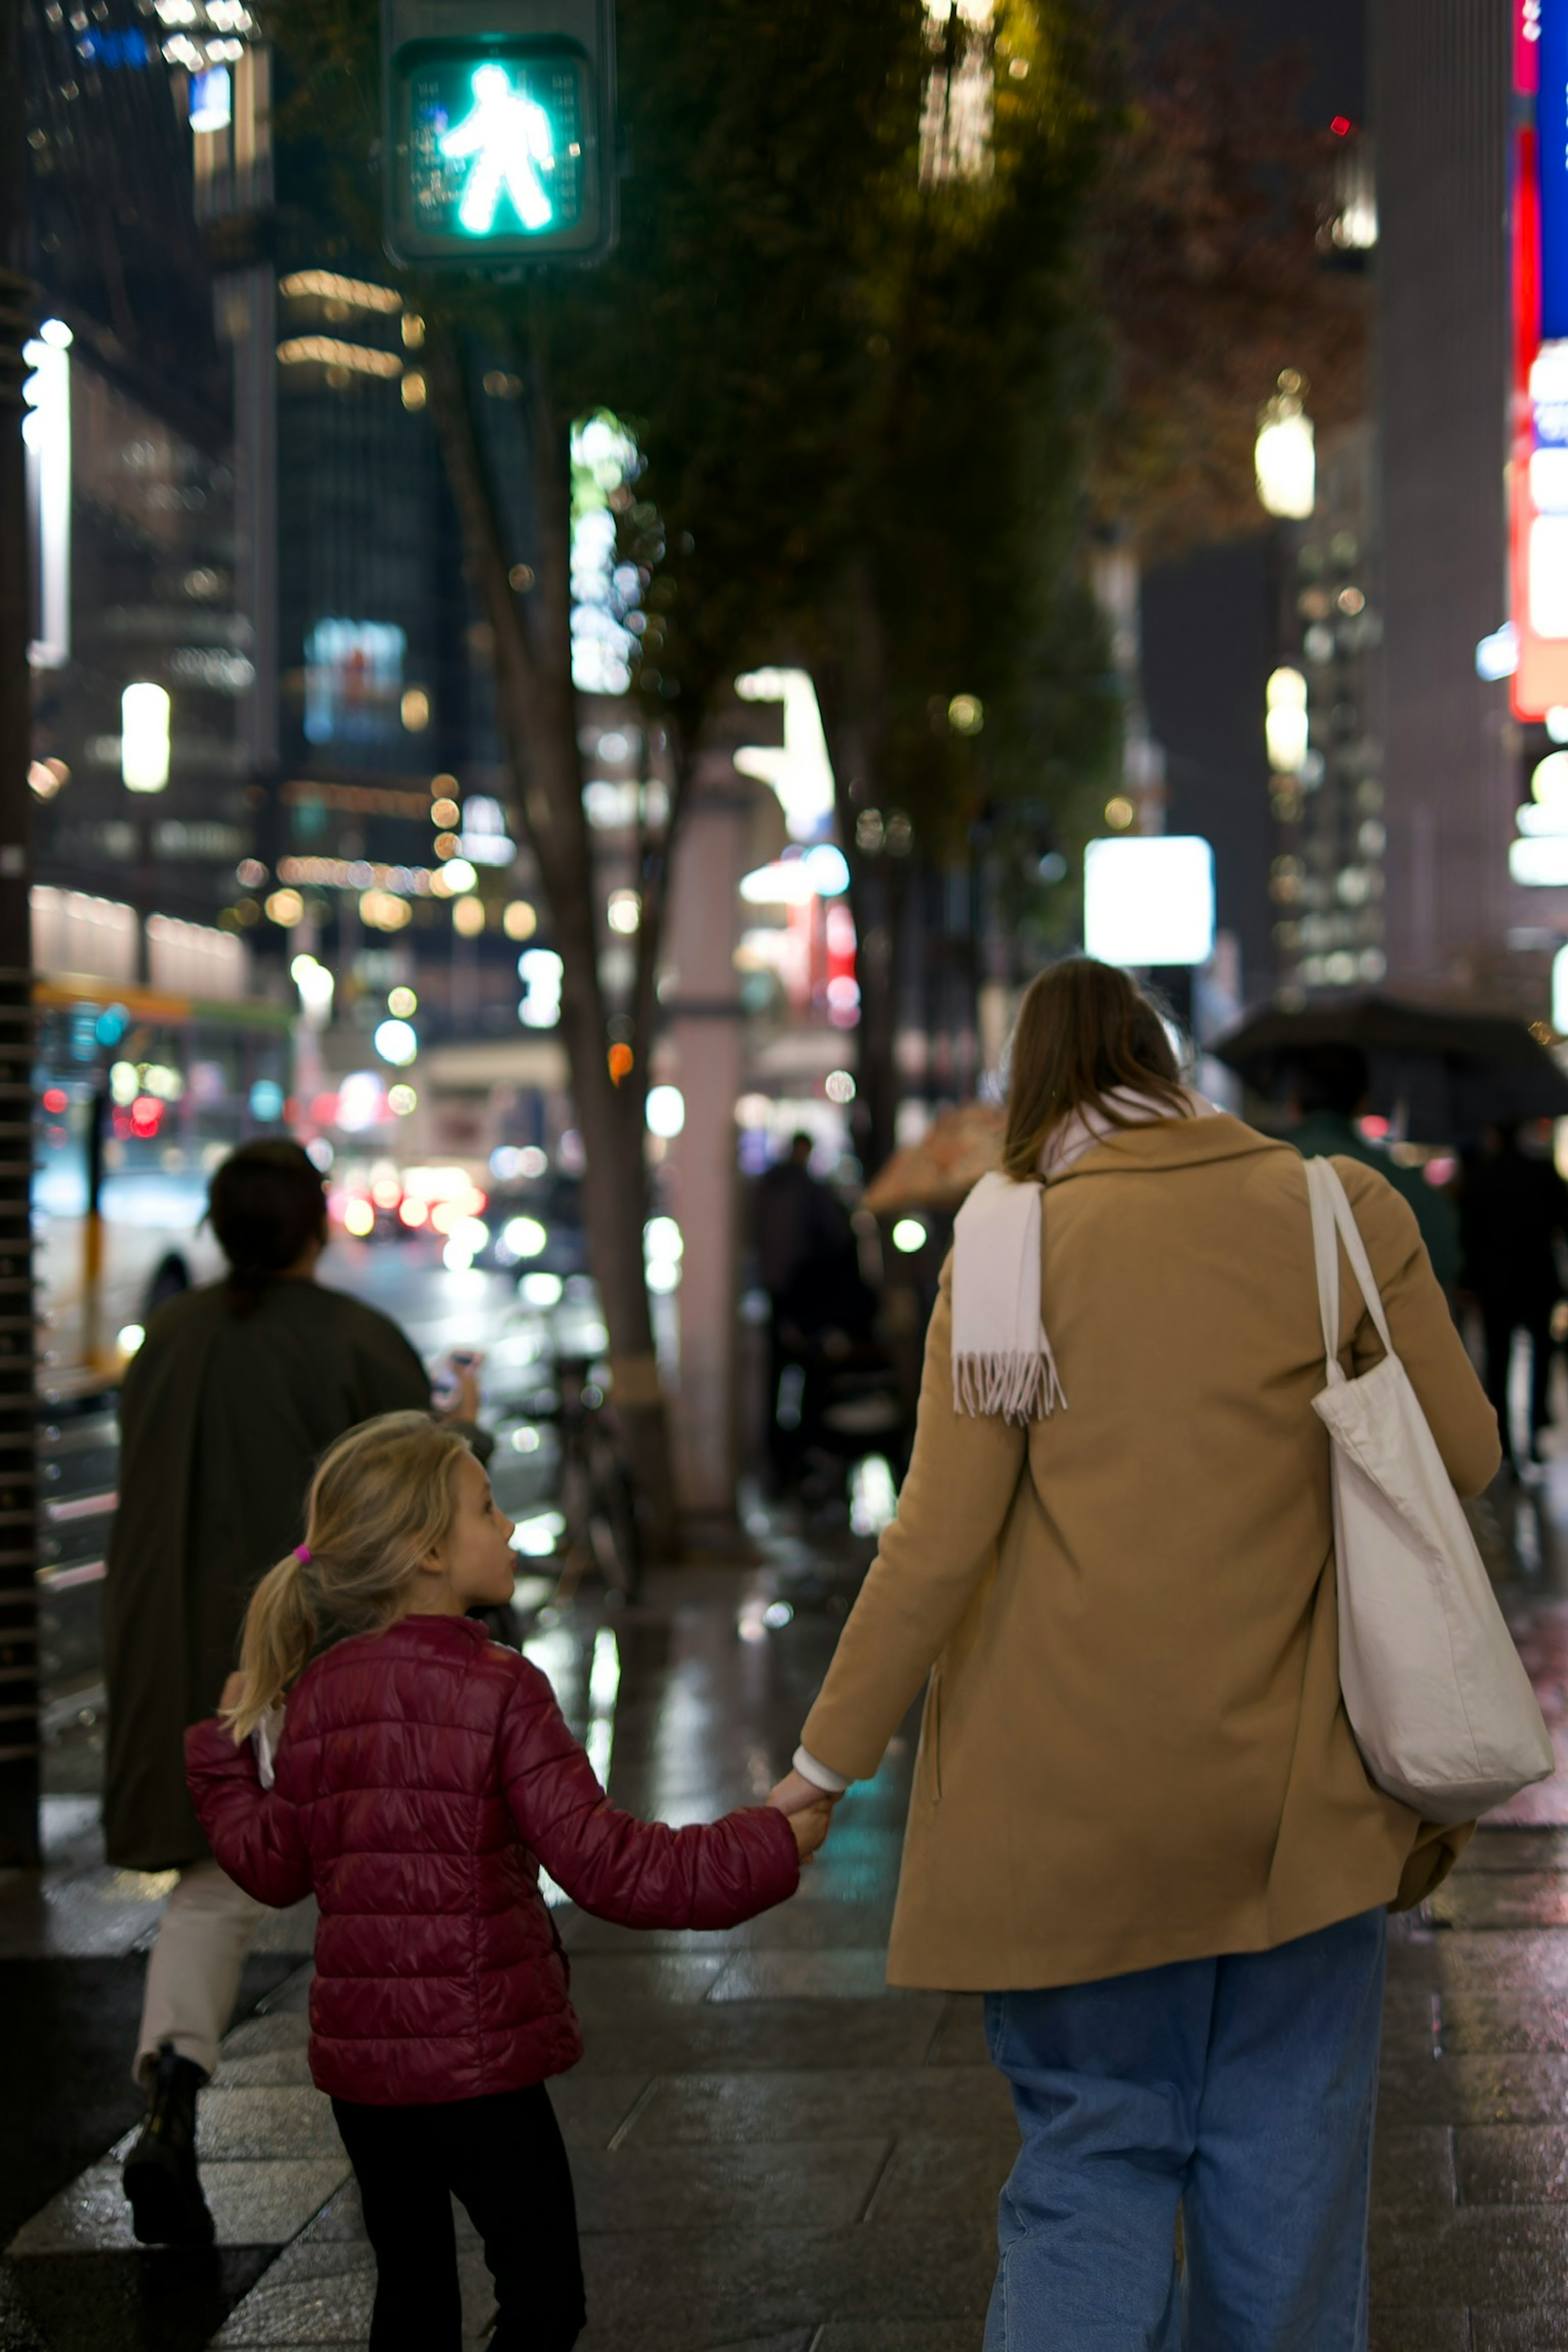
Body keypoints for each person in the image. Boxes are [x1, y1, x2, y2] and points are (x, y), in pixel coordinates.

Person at [770, 958, 1499, 2350]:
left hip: (1069, 1822)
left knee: (1093, 2167)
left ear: (1028, 1092)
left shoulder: (1005, 1246)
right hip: (1301, 1806)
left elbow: (936, 1543)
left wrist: (820, 1772)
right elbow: (1463, 1455)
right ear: (1166, 1069)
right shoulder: (1335, 1212)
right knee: (1285, 2179)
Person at [185, 1412, 830, 2352]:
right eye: (488, 1507)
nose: (511, 1525)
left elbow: (273, 1864)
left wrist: (222, 1759)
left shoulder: (319, 1693)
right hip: (480, 2063)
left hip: (365, 2078)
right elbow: (610, 1864)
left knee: (411, 2301)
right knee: (541, 2297)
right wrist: (771, 1840)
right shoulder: (500, 1688)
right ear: (427, 1549)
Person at [104, 1138, 482, 2247]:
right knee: (368, 1892)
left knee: (212, 1892)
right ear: (317, 1226)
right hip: (333, 1662)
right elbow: (414, 1502)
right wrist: (455, 1420)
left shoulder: (167, 1341)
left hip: (198, 1666)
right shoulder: (358, 1340)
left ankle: (172, 2093)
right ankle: (398, 2145)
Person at [1284, 1041, 1460, 1295]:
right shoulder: (1397, 1182)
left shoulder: (1254, 1172)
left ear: (1294, 1101)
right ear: (1364, 1102)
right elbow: (1445, 1260)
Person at [1459, 1120, 1568, 1471]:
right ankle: (1535, 1431)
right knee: (1541, 1358)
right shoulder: (1542, 1174)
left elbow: (1469, 1236)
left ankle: (1503, 1441)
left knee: (1498, 1361)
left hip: (1496, 1285)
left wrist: (1470, 1283)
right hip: (1537, 1280)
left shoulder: (1481, 1178)